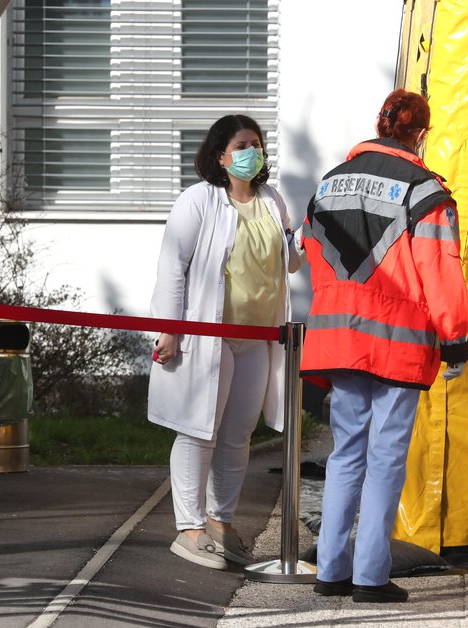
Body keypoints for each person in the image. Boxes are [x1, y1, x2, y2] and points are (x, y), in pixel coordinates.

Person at [299, 89, 468, 602]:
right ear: (419, 133)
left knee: (346, 454)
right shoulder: (425, 191)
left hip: (338, 340)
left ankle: (330, 571)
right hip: (398, 343)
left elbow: (311, 255)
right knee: (386, 459)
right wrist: (454, 340)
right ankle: (371, 578)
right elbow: (440, 272)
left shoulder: (328, 184)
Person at [148, 114, 301, 570]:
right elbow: (172, 268)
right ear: (220, 155)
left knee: (238, 435)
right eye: (241, 145)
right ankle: (188, 528)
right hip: (207, 337)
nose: (251, 151)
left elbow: (290, 261)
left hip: (256, 340)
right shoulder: (198, 201)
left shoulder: (272, 200)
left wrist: (312, 233)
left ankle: (220, 521)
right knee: (198, 430)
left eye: (256, 143)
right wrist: (169, 329)